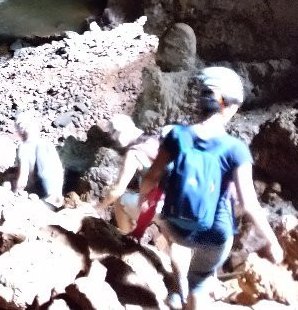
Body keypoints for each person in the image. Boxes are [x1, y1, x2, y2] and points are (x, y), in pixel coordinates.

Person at [140, 67, 284, 309]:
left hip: (177, 227)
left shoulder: (176, 135)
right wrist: (273, 241)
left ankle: (177, 291)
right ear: (232, 107)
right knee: (200, 280)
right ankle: (192, 291)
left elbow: (152, 176)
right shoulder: (235, 149)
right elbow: (249, 204)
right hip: (214, 235)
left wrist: (146, 199)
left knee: (176, 241)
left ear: (200, 102)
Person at [98, 114, 169, 233]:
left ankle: (127, 241)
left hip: (161, 206)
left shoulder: (134, 153)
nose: (112, 139)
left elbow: (117, 191)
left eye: (112, 134)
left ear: (120, 134)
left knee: (120, 201)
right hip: (177, 202)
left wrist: (99, 208)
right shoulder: (154, 139)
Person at [13, 111, 64, 206]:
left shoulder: (24, 147)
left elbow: (23, 179)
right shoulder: (47, 144)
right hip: (57, 193)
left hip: (44, 197)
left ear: (21, 130)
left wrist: (15, 194)